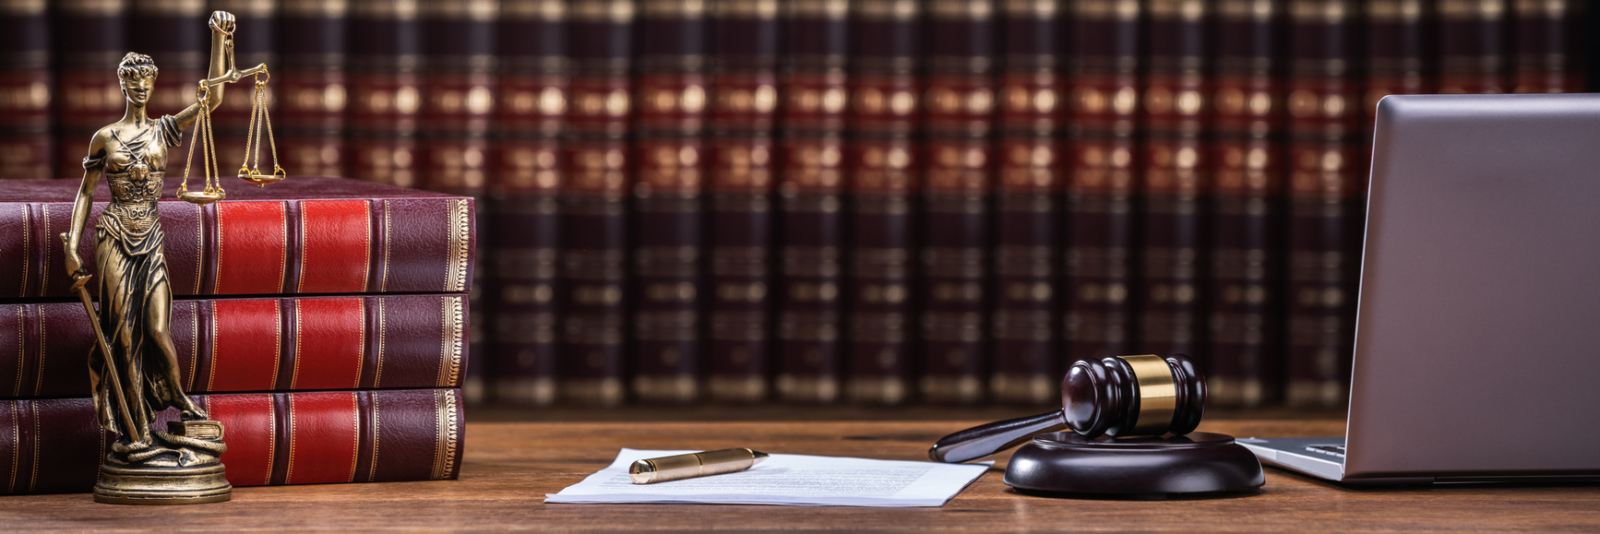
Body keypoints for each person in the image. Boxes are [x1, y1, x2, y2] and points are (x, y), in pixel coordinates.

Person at [62, 11, 235, 457]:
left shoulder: (163, 130)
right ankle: (135, 429)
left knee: (157, 330)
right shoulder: (105, 138)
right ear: (122, 86)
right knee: (121, 334)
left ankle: (178, 399)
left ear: (153, 84)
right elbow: (85, 193)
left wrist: (218, 38)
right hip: (115, 236)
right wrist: (71, 245)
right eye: (132, 82)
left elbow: (211, 102)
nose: (139, 88)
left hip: (151, 238)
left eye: (146, 81)